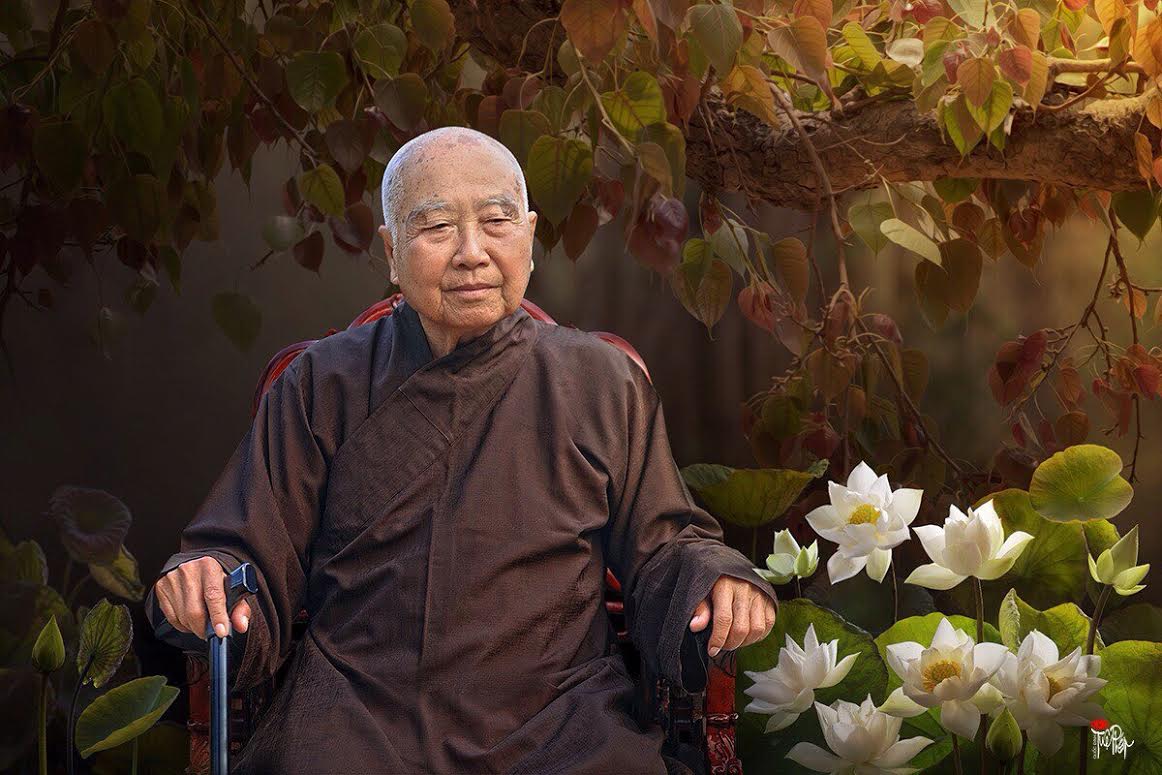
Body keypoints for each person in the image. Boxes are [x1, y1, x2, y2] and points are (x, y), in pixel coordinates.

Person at [146, 126, 779, 774]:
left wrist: (712, 577)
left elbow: (664, 545)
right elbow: (247, 549)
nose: (472, 253)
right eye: (437, 227)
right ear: (392, 252)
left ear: (529, 236)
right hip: (358, 709)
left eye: (497, 222)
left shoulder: (600, 382)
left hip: (559, 715)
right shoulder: (321, 383)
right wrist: (208, 577)